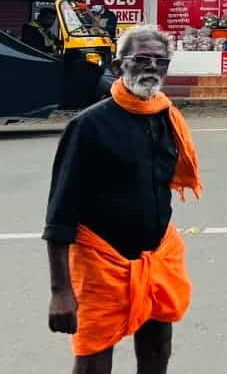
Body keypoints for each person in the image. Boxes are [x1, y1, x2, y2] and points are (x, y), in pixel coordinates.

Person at [43, 25, 202, 374]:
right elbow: (60, 213)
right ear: (117, 67)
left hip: (157, 258)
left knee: (158, 348)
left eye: (161, 61)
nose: (151, 68)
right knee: (94, 362)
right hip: (102, 264)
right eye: (141, 59)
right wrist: (60, 292)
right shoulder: (88, 126)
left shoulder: (167, 117)